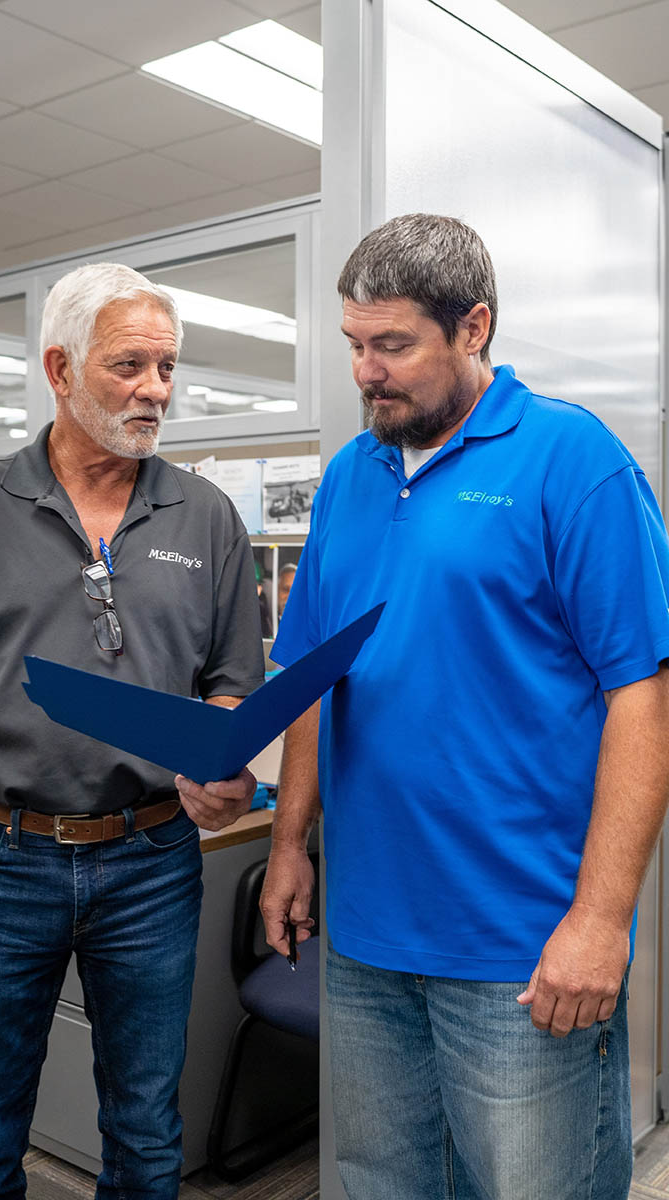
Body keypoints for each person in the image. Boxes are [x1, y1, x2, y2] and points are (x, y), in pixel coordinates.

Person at [260, 214, 669, 1200]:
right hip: (363, 939)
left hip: (519, 947)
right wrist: (286, 844)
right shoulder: (349, 478)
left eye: (391, 345)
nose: (366, 372)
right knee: (375, 1186)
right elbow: (317, 672)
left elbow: (642, 698)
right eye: (354, 344)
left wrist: (600, 921)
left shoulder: (569, 460)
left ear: (472, 327)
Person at [0, 262, 264, 1200]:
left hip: (152, 861)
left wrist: (223, 767)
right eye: (130, 365)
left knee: (144, 1135)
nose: (155, 391)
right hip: (2, 860)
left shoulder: (205, 516)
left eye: (168, 368)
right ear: (59, 366)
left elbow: (230, 691)